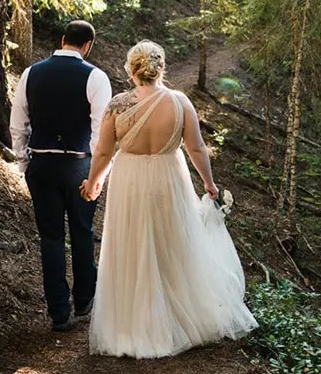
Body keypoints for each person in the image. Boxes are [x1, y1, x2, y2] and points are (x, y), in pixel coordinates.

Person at [79, 40, 257, 358]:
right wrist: (210, 184)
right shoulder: (179, 102)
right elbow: (197, 148)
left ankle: (132, 326)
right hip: (168, 177)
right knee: (172, 243)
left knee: (131, 245)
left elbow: (104, 151)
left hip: (129, 180)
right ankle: (176, 319)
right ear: (161, 68)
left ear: (131, 69)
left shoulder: (117, 105)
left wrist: (93, 184)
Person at [9, 20, 113, 332]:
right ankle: (84, 300)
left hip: (40, 165)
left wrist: (23, 163)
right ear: (88, 45)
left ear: (63, 39)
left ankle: (58, 312)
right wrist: (97, 175)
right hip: (79, 165)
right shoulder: (95, 77)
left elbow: (18, 124)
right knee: (82, 232)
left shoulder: (31, 73)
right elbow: (101, 133)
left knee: (51, 237)